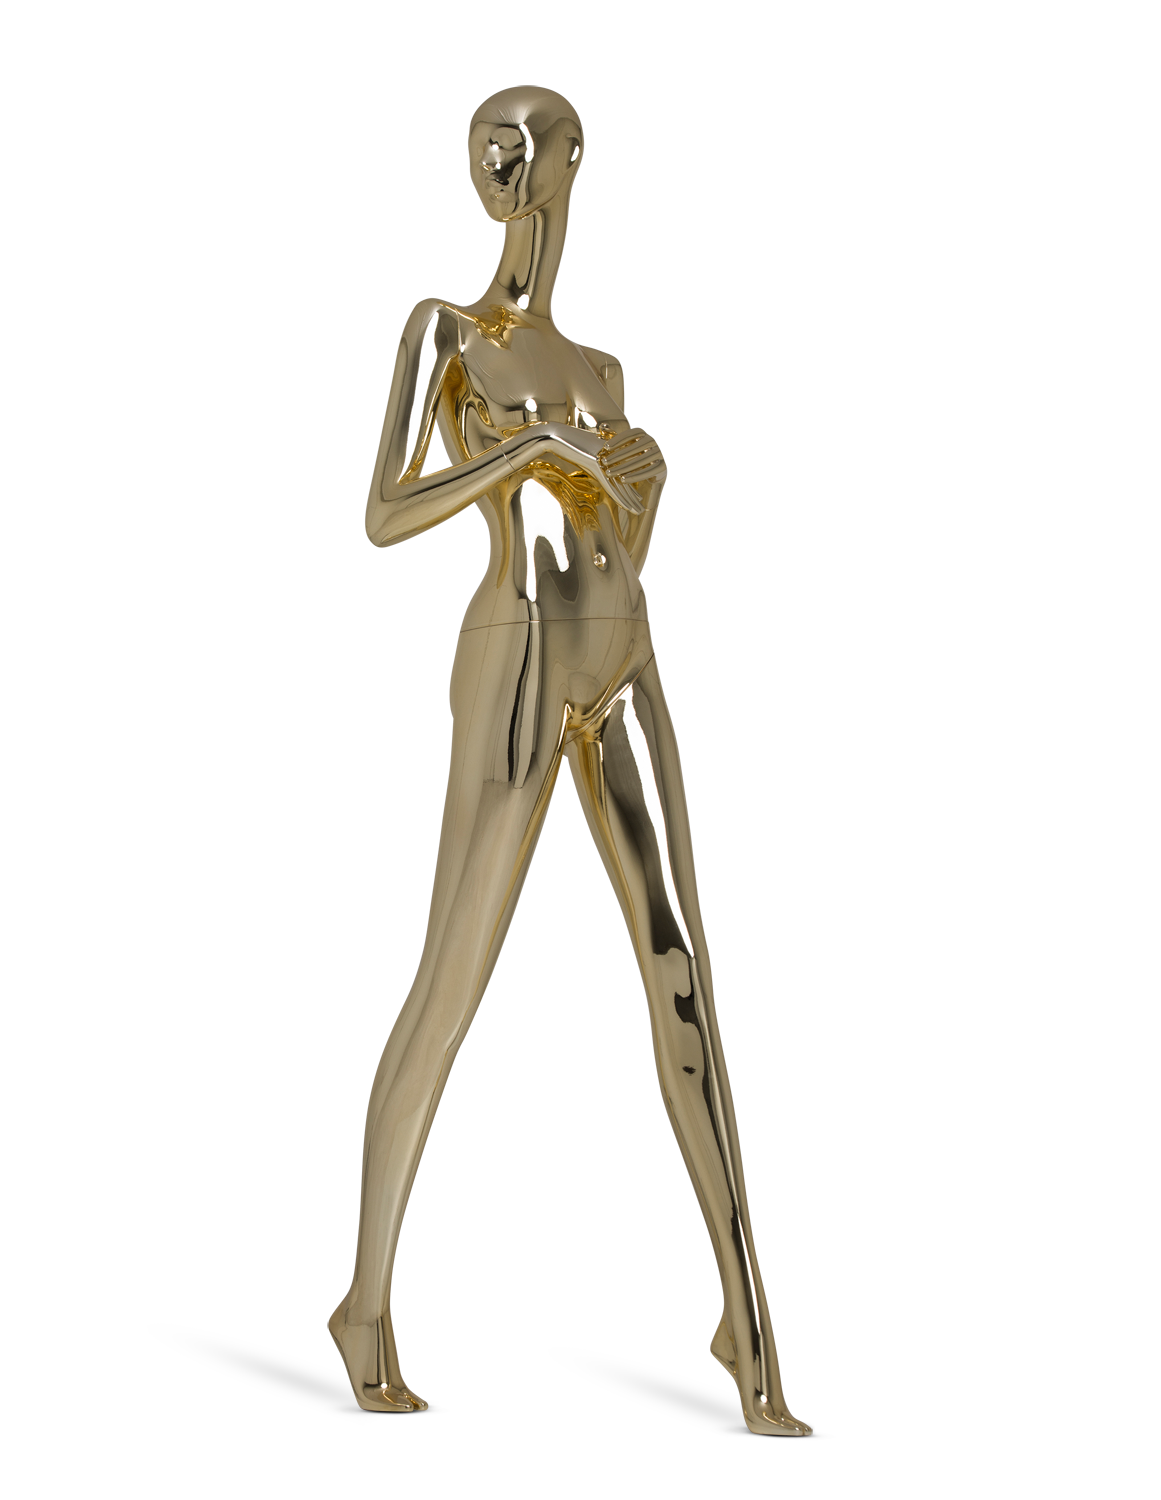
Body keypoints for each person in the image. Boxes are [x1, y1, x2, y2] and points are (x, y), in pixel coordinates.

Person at [331, 86, 810, 1437]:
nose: (505, 165)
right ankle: (365, 1307)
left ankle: (749, 1326)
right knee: (454, 980)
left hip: (624, 648)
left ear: (565, 162)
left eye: (526, 144)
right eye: (492, 146)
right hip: (521, 651)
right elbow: (381, 512)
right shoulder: (447, 331)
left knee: (686, 972)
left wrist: (634, 481)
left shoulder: (594, 361)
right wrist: (531, 452)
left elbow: (616, 540)